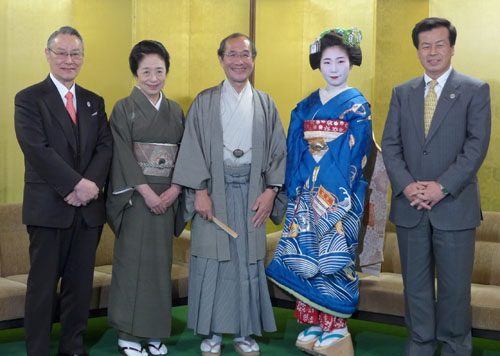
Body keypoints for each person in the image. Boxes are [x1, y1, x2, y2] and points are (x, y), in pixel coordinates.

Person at [381, 17, 491, 356]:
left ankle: (456, 346)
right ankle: (420, 344)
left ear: (452, 48)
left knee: (455, 288)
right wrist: (408, 186)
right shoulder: (402, 92)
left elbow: (476, 147)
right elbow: (390, 145)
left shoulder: (475, 90)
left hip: (454, 206)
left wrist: (441, 187)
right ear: (417, 51)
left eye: (439, 44)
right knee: (414, 286)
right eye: (425, 46)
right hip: (410, 206)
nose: (432, 52)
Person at [172, 33, 286, 356]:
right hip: (213, 193)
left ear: (253, 59)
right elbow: (192, 147)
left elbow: (278, 152)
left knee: (248, 264)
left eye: (245, 55)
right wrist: (199, 191)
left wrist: (270, 191)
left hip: (253, 195)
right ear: (221, 59)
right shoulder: (205, 101)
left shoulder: (265, 103)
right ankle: (211, 334)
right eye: (232, 55)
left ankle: (243, 333)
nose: (239, 61)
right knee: (212, 262)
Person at [265, 28, 372, 356]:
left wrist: (329, 188)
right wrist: (298, 185)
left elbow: (356, 152)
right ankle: (315, 322)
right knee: (305, 256)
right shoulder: (307, 104)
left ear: (351, 63)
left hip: (337, 195)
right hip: (306, 192)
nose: (335, 68)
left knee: (332, 257)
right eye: (327, 61)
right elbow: (295, 143)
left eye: (341, 60)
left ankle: (337, 326)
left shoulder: (357, 106)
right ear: (319, 64)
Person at [14, 26, 112, 356]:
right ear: (48, 55)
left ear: (83, 57)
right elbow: (37, 149)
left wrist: (91, 187)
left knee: (79, 287)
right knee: (42, 289)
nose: (69, 60)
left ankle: (73, 349)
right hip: (48, 209)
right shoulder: (29, 99)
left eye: (75, 54)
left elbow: (105, 147)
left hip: (87, 214)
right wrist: (76, 185)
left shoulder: (93, 101)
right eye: (62, 53)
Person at [106, 40, 185, 356]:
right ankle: (128, 333)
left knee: (159, 266)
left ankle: (153, 334)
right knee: (132, 264)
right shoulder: (124, 109)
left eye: (160, 70)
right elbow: (122, 155)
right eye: (146, 71)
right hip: (137, 199)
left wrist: (176, 189)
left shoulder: (176, 110)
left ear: (167, 71)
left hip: (167, 196)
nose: (154, 78)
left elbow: (187, 153)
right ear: (135, 74)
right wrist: (146, 191)